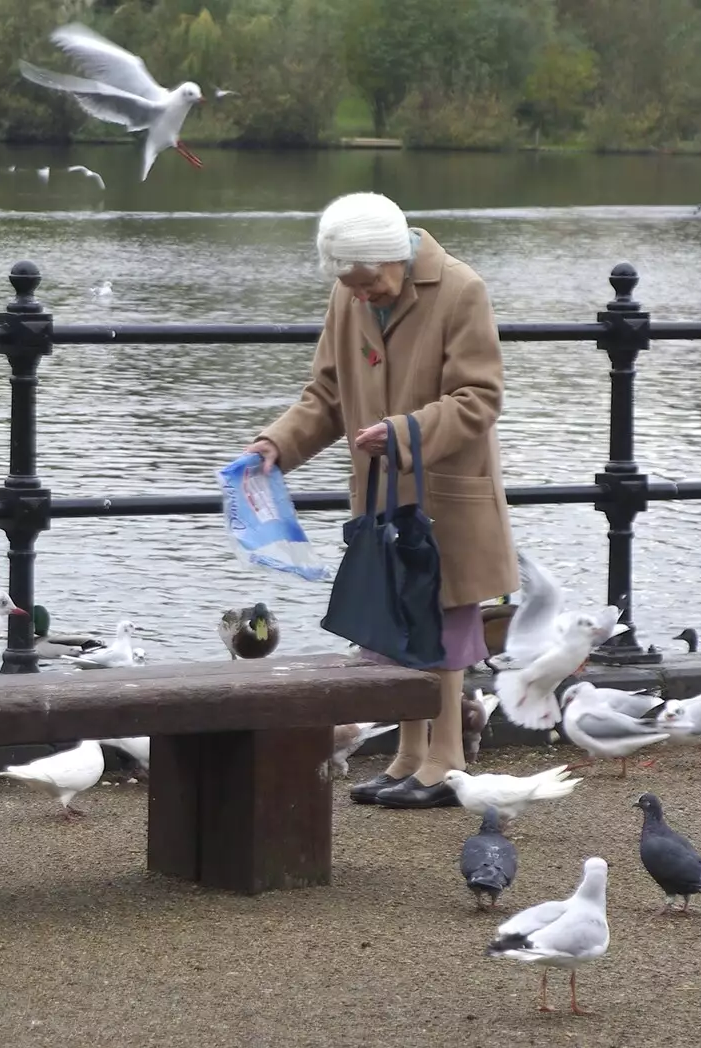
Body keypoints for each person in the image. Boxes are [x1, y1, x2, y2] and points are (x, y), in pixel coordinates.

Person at [245, 191, 519, 809]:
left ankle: (448, 760)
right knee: (396, 625)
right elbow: (328, 394)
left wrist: (403, 433)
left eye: (368, 283)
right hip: (380, 493)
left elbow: (479, 398)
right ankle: (410, 754)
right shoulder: (350, 294)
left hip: (446, 492)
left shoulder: (461, 291)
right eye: (351, 284)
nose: (359, 294)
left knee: (445, 621)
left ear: (394, 256)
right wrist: (276, 445)